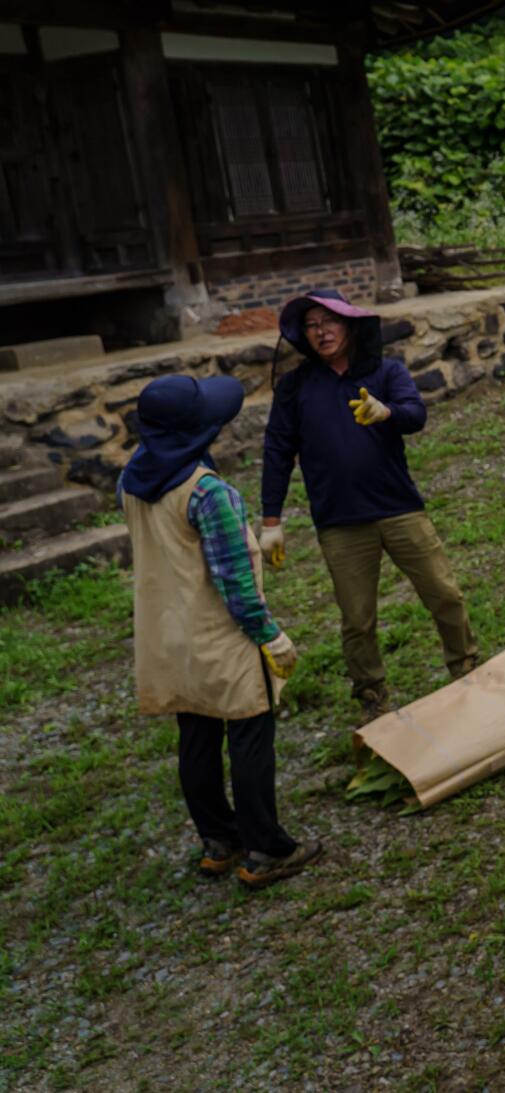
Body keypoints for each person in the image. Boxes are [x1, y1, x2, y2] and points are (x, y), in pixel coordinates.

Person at [122, 373, 323, 890]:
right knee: (251, 732)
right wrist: (270, 634)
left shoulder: (133, 480)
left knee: (197, 735)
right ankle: (266, 849)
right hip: (220, 634)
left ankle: (218, 840)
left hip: (169, 634)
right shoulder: (208, 493)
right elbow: (233, 578)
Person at [259, 289, 477, 721]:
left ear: (350, 323)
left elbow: (416, 415)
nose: (322, 333)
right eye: (312, 325)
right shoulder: (295, 387)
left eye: (329, 321)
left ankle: (466, 667)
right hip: (339, 521)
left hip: (399, 508)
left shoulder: (385, 372)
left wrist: (387, 412)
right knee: (357, 620)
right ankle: (372, 696)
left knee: (445, 594)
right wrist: (271, 520)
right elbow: (277, 450)